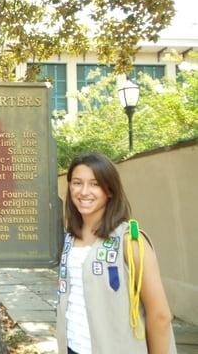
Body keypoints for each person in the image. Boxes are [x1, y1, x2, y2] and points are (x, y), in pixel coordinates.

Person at [56, 152, 176, 354]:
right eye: (77, 182)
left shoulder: (130, 241)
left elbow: (160, 316)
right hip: (72, 347)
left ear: (109, 190)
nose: (84, 191)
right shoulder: (69, 238)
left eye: (95, 184)